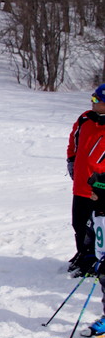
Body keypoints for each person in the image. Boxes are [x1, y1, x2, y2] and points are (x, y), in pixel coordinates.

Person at [66, 84, 105, 275]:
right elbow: (73, 141)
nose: (92, 102)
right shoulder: (84, 119)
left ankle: (94, 259)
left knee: (97, 226)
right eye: (92, 98)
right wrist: (71, 160)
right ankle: (83, 253)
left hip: (100, 188)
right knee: (79, 223)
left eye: (97, 100)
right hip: (81, 184)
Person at [78, 171, 105, 337]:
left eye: (94, 193)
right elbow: (92, 234)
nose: (91, 196)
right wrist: (88, 255)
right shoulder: (96, 212)